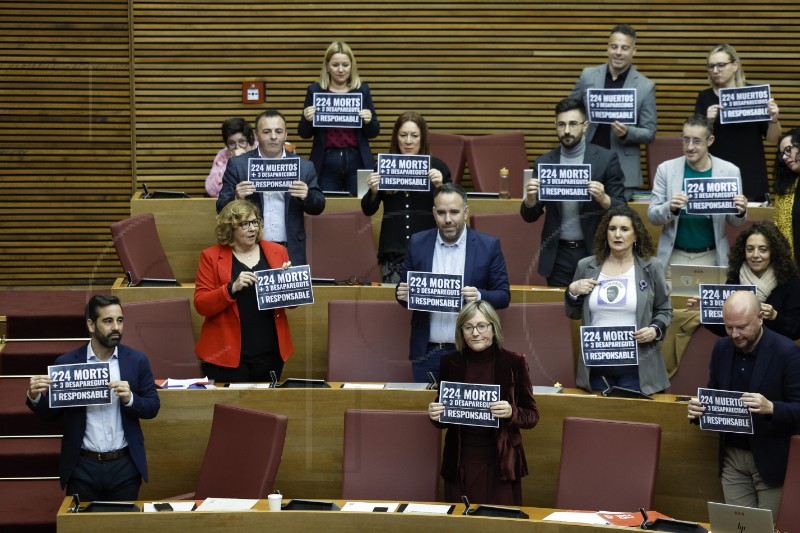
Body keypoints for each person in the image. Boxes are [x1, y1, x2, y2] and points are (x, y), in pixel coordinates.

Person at [26, 295, 160, 500]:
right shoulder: (68, 363)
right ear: (91, 324)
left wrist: (130, 399)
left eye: (120, 320)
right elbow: (51, 415)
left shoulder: (137, 360)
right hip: (82, 468)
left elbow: (152, 407)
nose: (116, 327)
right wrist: (35, 396)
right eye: (108, 321)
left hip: (124, 466)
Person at [687, 290, 800, 519]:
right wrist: (698, 411)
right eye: (729, 327)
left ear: (760, 318)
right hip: (732, 458)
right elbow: (715, 394)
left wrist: (772, 408)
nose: (734, 334)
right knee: (739, 528)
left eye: (741, 327)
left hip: (773, 460)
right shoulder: (721, 349)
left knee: (768, 529)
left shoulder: (787, 352)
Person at [427, 300, 539, 506]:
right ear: (461, 331)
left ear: (494, 328)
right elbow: (443, 416)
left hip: (501, 462)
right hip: (460, 461)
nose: (475, 333)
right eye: (468, 327)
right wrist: (435, 414)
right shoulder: (450, 362)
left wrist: (511, 411)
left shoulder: (515, 362)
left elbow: (532, 416)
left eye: (481, 326)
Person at [396, 183, 510, 382]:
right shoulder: (417, 242)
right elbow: (405, 291)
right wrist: (401, 294)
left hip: (470, 350)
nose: (448, 219)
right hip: (426, 353)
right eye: (441, 212)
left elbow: (503, 295)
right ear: (433, 213)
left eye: (454, 212)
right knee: (426, 412)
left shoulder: (488, 245)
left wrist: (479, 296)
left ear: (466, 212)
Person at [566, 205, 672, 395]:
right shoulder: (586, 266)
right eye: (612, 229)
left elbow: (664, 310)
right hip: (596, 364)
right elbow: (572, 313)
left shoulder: (651, 267)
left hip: (637, 364)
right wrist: (572, 292)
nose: (617, 234)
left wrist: (654, 330)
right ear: (605, 233)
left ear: (636, 235)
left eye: (624, 229)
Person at [520, 97, 626, 286]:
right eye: (561, 124)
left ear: (585, 125)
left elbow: (624, 210)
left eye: (573, 124)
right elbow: (529, 216)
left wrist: (604, 199)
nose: (566, 130)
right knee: (559, 313)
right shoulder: (544, 162)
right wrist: (530, 200)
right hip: (557, 256)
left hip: (594, 252)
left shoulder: (606, 159)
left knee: (593, 312)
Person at [194, 200, 294, 382]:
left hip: (270, 353)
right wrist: (231, 289)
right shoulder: (210, 256)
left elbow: (293, 304)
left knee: (264, 409)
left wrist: (288, 282)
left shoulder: (277, 251)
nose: (252, 229)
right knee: (232, 409)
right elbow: (201, 304)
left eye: (255, 222)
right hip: (225, 356)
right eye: (245, 224)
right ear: (230, 228)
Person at [217, 109, 326, 266]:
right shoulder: (238, 165)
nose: (273, 137)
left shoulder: (304, 167)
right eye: (267, 132)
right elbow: (220, 207)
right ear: (256, 135)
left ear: (286, 135)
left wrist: (307, 196)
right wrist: (236, 198)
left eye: (278, 131)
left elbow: (319, 206)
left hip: (290, 249)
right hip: (250, 248)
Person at [647, 114, 747, 280]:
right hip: (675, 255)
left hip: (712, 256)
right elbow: (653, 216)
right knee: (671, 305)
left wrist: (740, 212)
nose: (690, 147)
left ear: (710, 140)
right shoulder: (666, 169)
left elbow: (735, 222)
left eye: (697, 141)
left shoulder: (729, 171)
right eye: (685, 140)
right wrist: (670, 207)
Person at [361, 111, 451, 283]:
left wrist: (441, 186)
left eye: (414, 135)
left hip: (430, 250)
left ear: (422, 138)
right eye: (403, 135)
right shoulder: (384, 166)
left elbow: (454, 208)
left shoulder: (438, 167)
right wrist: (373, 191)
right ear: (396, 138)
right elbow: (368, 209)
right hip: (393, 252)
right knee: (394, 306)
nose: (408, 141)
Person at [569, 24, 656, 200]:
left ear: (634, 51)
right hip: (586, 162)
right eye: (614, 46)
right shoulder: (588, 76)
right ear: (607, 48)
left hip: (623, 171)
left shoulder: (645, 86)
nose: (618, 52)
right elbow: (570, 110)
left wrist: (627, 132)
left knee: (618, 219)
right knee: (585, 219)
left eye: (625, 48)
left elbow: (649, 133)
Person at [694, 44, 782, 202]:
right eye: (711, 66)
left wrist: (774, 119)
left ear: (735, 65)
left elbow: (773, 138)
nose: (715, 71)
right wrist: (708, 121)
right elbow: (695, 141)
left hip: (751, 175)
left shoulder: (754, 94)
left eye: (720, 65)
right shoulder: (704, 97)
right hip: (717, 175)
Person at [686, 222, 800, 340]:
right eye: (750, 249)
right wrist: (706, 311)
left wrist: (775, 317)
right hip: (740, 350)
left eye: (763, 250)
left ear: (773, 252)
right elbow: (724, 329)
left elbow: (796, 330)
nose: (755, 255)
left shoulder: (790, 281)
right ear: (743, 251)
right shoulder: (735, 278)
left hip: (776, 351)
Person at [298, 41, 380, 196]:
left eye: (345, 65)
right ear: (327, 66)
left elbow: (374, 132)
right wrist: (307, 119)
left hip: (357, 159)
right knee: (326, 208)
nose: (341, 70)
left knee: (360, 207)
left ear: (352, 66)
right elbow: (304, 133)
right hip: (326, 160)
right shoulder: (315, 90)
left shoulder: (362, 90)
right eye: (335, 65)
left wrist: (368, 121)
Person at [205, 117, 256, 198]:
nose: (237, 147)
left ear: (251, 140)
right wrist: (232, 163)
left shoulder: (261, 150)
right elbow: (211, 189)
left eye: (242, 142)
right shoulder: (224, 155)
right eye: (231, 143)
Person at [771, 128, 800, 266]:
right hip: (793, 266)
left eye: (788, 150)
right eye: (782, 153)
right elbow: (778, 227)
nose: (784, 157)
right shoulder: (786, 187)